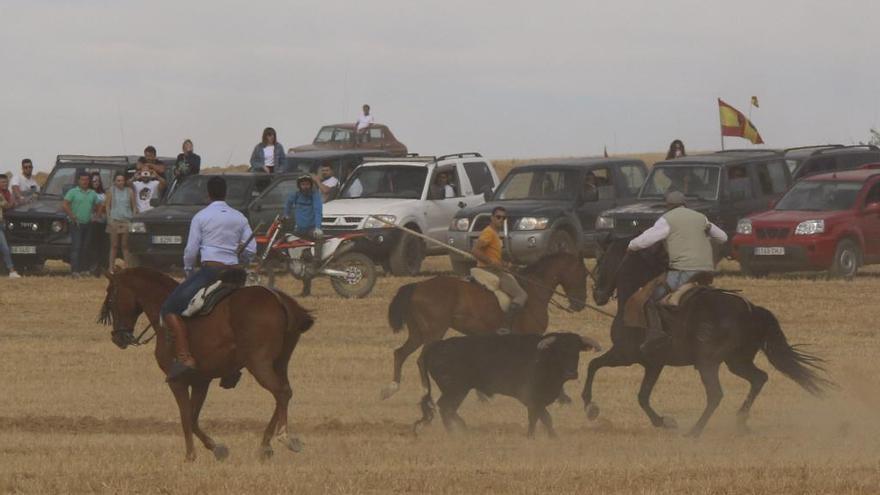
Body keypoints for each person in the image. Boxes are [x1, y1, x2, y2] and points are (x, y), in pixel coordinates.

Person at [160, 176, 256, 381]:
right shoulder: (239, 217)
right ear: (225, 193)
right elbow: (251, 249)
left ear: (208, 194)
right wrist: (243, 259)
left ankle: (185, 357)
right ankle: (233, 367)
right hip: (236, 273)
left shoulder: (201, 216)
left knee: (169, 308)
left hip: (211, 271)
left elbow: (191, 250)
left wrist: (188, 270)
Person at [627, 191, 728, 355]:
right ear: (685, 204)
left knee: (650, 298)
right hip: (706, 271)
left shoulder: (667, 219)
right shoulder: (700, 217)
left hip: (683, 270)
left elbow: (647, 239)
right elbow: (723, 237)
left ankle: (655, 335)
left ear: (668, 205)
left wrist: (631, 246)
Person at [471, 206, 527, 333]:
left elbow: (494, 256)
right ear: (492, 218)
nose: (501, 220)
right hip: (490, 271)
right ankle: (506, 326)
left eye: (504, 218)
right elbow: (475, 250)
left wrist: (506, 265)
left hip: (495, 268)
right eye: (498, 217)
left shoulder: (495, 234)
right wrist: (491, 263)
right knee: (521, 295)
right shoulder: (489, 233)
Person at [283, 174, 324, 296]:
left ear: (311, 185)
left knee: (319, 238)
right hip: (299, 230)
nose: (305, 186)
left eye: (307, 184)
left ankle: (318, 261)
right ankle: (306, 290)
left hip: (311, 229)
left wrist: (318, 227)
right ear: (299, 186)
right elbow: (288, 204)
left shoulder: (315, 196)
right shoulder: (295, 195)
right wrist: (286, 214)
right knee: (301, 259)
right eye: (303, 184)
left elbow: (318, 211)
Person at [62, 172, 100, 278]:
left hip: (88, 223)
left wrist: (96, 216)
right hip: (76, 224)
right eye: (83, 179)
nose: (85, 182)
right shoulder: (73, 192)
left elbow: (100, 205)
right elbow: (64, 205)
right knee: (76, 247)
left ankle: (84, 269)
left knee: (86, 247)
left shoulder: (92, 193)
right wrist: (72, 216)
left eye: (87, 180)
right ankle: (75, 271)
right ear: (78, 181)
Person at [106, 172, 136, 271]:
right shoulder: (111, 191)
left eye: (122, 180)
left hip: (126, 220)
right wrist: (109, 219)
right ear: (115, 181)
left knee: (125, 245)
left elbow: (134, 207)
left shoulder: (129, 191)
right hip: (115, 220)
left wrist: (133, 219)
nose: (120, 182)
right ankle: (111, 267)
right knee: (114, 245)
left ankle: (127, 267)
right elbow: (107, 206)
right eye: (118, 180)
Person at [86, 172, 108, 274]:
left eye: (98, 181)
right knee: (92, 245)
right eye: (94, 181)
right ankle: (93, 266)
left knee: (103, 245)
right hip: (92, 222)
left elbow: (106, 206)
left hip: (103, 222)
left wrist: (101, 207)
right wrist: (100, 207)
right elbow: (92, 207)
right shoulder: (88, 193)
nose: (96, 183)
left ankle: (103, 266)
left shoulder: (103, 194)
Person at [0, 174, 21, 278]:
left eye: (6, 182)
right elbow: (7, 205)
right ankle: (11, 270)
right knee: (5, 248)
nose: (5, 184)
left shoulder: (6, 193)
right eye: (3, 182)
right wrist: (14, 199)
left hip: (3, 223)